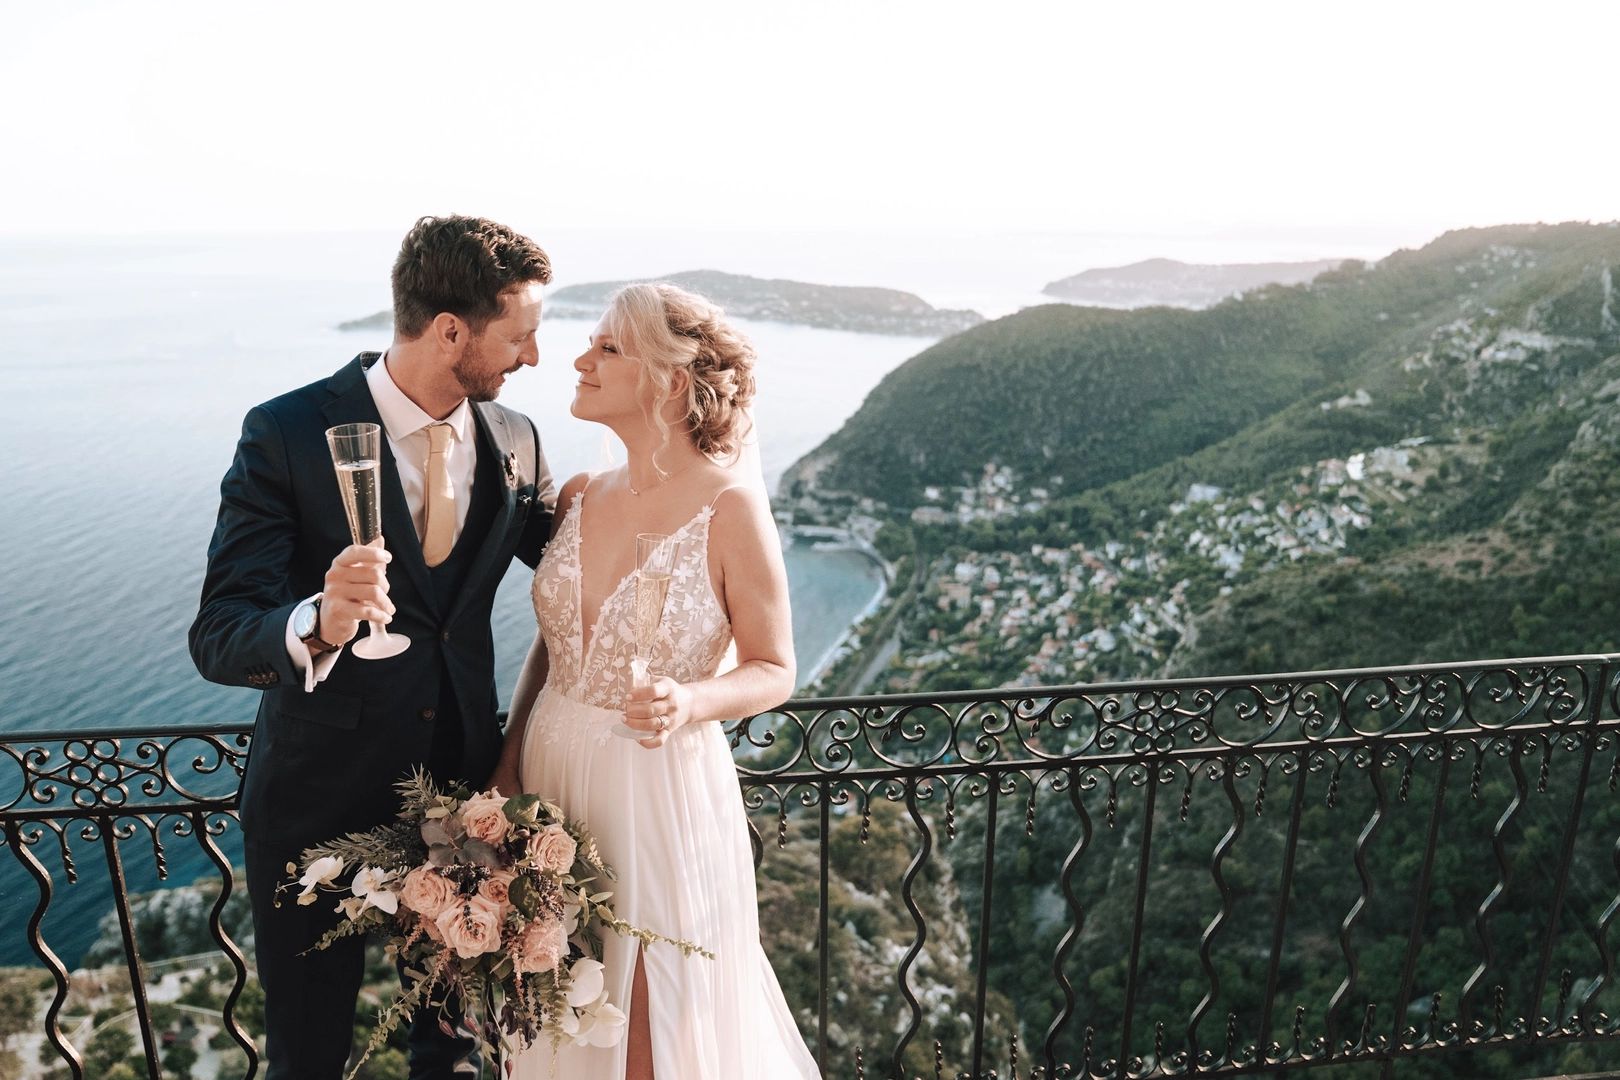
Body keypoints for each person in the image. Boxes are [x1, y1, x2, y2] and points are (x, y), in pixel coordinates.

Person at [189, 215, 557, 1079]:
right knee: (310, 1057)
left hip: (465, 804)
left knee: (458, 1055)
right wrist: (317, 621)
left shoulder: (517, 439)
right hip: (317, 805)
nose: (533, 358)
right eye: (521, 335)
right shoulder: (284, 431)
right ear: (451, 331)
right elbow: (218, 633)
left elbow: (575, 569)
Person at [490, 283, 820, 1078]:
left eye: (607, 348)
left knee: (647, 1024)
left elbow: (775, 667)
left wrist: (691, 700)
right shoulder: (577, 494)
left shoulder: (729, 507)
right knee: (558, 1003)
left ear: (670, 379)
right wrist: (507, 762)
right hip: (549, 776)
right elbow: (554, 645)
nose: (580, 359)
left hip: (653, 782)